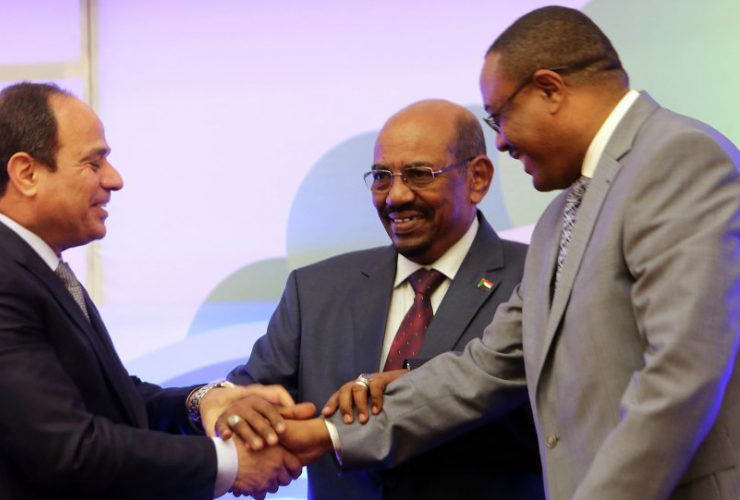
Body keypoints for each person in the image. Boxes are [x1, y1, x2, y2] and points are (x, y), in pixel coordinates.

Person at [275, 6, 740, 500]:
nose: (499, 142)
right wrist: (328, 434)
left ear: (549, 90)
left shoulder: (677, 157)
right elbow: (488, 364)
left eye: (499, 117)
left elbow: (682, 370)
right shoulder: (560, 217)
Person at [0, 82, 304, 500]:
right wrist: (230, 464)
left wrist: (204, 402)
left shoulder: (25, 266)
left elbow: (114, 400)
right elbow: (68, 450)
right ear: (26, 173)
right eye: (94, 162)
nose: (114, 180)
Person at [223, 99, 544, 499]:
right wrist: (242, 418)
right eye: (381, 177)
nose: (395, 196)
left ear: (477, 178)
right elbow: (247, 399)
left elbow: (561, 423)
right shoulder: (316, 290)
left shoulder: (538, 278)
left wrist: (413, 388)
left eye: (419, 175)